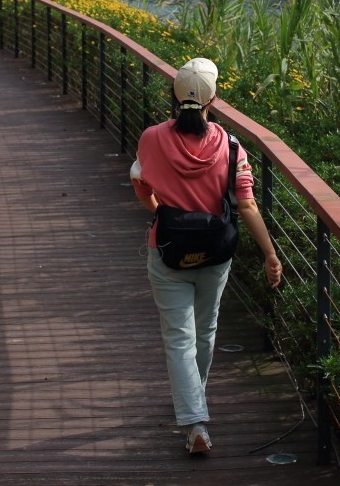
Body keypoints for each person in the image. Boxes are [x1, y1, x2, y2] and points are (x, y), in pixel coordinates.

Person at [130, 58, 283, 455]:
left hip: (167, 251)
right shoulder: (231, 147)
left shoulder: (151, 138)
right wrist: (270, 254)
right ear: (214, 98)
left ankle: (196, 420)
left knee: (178, 337)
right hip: (215, 253)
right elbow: (247, 206)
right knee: (206, 330)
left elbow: (141, 187)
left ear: (174, 97)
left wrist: (163, 212)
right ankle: (193, 400)